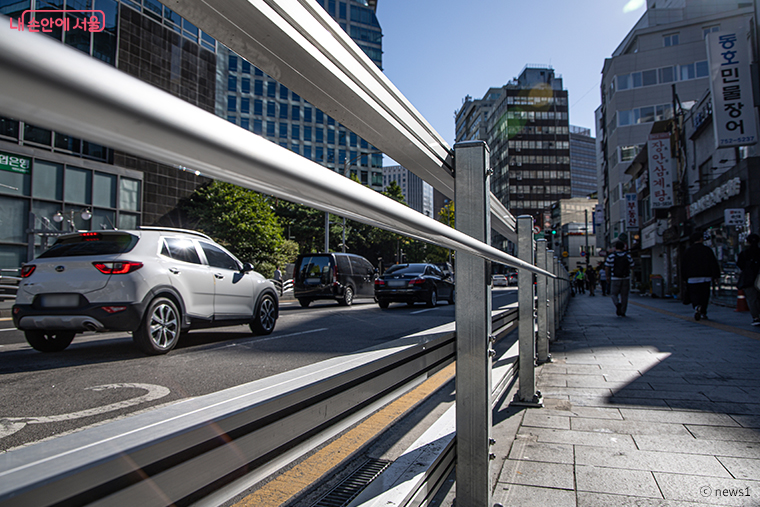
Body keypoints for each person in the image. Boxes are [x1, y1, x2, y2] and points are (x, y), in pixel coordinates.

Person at [681, 231, 721, 321]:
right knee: (704, 294)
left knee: (694, 294)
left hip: (692, 277)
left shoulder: (688, 251)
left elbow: (683, 265)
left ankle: (696, 306)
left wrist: (684, 277)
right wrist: (716, 276)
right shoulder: (707, 250)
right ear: (701, 239)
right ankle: (703, 311)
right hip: (705, 276)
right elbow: (713, 263)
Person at [605, 241, 634, 317]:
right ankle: (623, 311)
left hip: (615, 278)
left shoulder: (611, 256)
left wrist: (607, 276)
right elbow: (632, 266)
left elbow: (607, 267)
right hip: (625, 278)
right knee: (624, 295)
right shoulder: (628, 256)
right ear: (623, 247)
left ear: (615, 248)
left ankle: (617, 304)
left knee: (613, 294)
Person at [736, 233, 760, 326]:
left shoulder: (745, 253)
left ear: (747, 242)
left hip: (748, 279)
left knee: (752, 299)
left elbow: (740, 264)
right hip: (759, 277)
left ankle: (756, 317)